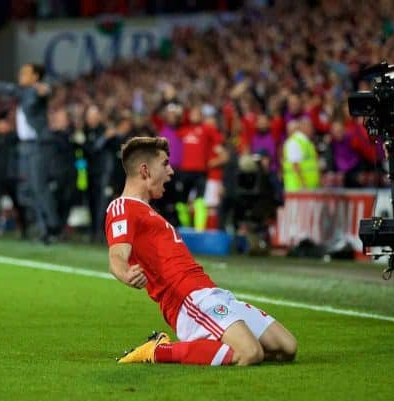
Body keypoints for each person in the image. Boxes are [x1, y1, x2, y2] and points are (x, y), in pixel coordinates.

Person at [105, 136, 297, 365]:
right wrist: (125, 273)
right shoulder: (122, 207)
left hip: (210, 292)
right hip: (188, 300)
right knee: (249, 353)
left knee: (286, 347)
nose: (171, 171)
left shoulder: (149, 212)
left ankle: (211, 344)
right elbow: (116, 255)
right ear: (145, 170)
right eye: (165, 164)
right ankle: (158, 350)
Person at [0, 64, 61, 243]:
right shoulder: (22, 91)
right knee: (26, 190)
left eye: (25, 73)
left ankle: (52, 227)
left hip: (39, 146)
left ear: (35, 76)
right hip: (25, 147)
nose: (20, 75)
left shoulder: (35, 91)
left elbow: (47, 91)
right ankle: (44, 227)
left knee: (39, 188)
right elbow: (5, 87)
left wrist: (46, 89)